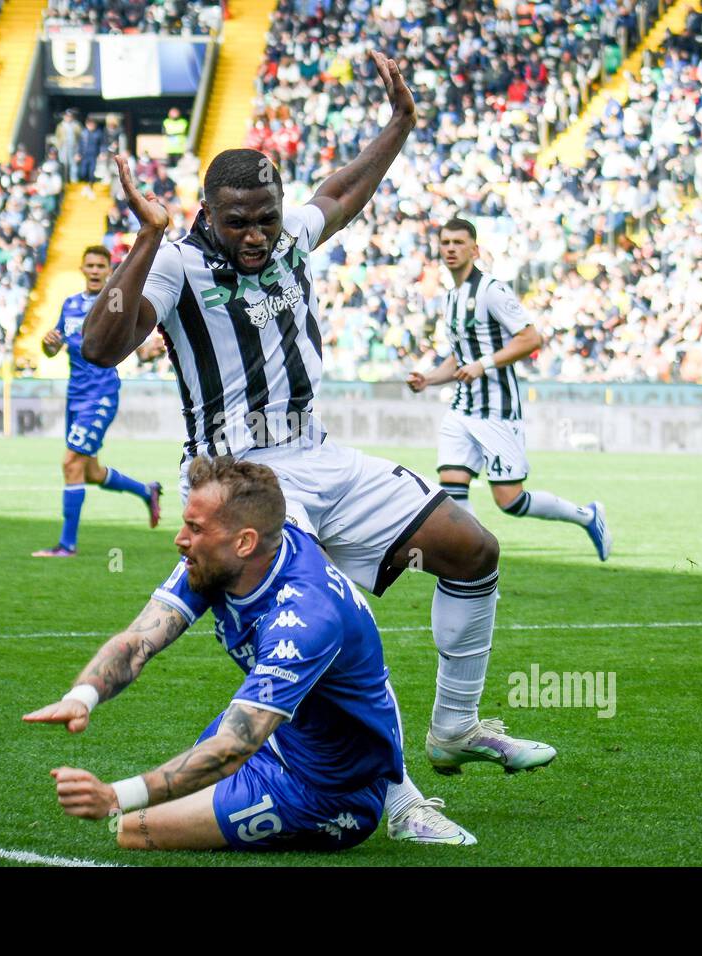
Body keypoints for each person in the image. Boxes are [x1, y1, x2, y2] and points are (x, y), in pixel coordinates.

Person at [80, 51, 555, 845]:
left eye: (267, 215)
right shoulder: (177, 264)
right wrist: (147, 236)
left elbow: (339, 192)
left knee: (472, 549)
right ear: (207, 216)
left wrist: (399, 125)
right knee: (335, 618)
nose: (259, 233)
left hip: (321, 453)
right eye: (240, 221)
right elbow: (101, 346)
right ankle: (400, 800)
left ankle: (454, 730)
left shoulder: (289, 234)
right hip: (244, 480)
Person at [24, 456, 406, 852]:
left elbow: (232, 747)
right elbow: (138, 641)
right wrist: (81, 697)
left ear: (244, 542)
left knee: (132, 828)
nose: (180, 539)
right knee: (157, 804)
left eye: (195, 528)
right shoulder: (219, 559)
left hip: (326, 787)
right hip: (277, 735)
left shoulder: (307, 617)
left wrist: (113, 797)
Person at [407, 218, 611, 560]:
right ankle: (475, 567)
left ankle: (588, 516)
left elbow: (531, 338)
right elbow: (460, 357)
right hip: (462, 409)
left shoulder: (491, 290)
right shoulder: (452, 297)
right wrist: (428, 379)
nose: (451, 249)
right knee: (451, 487)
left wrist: (483, 365)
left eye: (459, 243)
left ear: (475, 249)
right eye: (446, 243)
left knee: (510, 500)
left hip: (497, 408)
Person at [33, 245, 163, 558]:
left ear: (109, 271)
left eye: (100, 266)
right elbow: (54, 348)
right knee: (90, 472)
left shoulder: (117, 303)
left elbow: (136, 343)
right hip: (75, 395)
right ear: (82, 269)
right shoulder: (71, 304)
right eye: (89, 265)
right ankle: (147, 491)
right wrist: (47, 343)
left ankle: (67, 545)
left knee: (70, 463)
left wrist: (148, 351)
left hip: (100, 394)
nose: (94, 271)